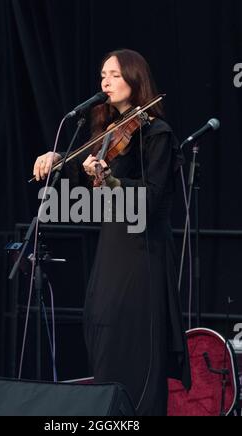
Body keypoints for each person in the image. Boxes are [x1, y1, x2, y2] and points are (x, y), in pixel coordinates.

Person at [33, 49, 191, 416]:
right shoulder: (106, 135)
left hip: (142, 253)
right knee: (103, 333)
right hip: (112, 250)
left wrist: (112, 180)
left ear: (135, 79)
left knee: (135, 348)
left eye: (114, 74)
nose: (105, 81)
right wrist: (58, 160)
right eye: (102, 75)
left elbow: (151, 201)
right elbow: (87, 191)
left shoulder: (157, 133)